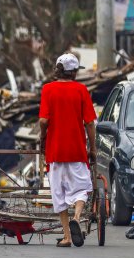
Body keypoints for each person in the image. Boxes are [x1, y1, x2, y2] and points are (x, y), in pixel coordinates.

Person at [39, 53, 97, 247]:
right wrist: (93, 148)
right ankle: (78, 217)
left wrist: (42, 138)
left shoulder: (48, 89)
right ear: (74, 73)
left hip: (55, 152)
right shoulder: (81, 90)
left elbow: (43, 120)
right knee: (82, 189)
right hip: (77, 150)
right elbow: (89, 123)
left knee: (59, 194)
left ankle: (66, 236)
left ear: (57, 69)